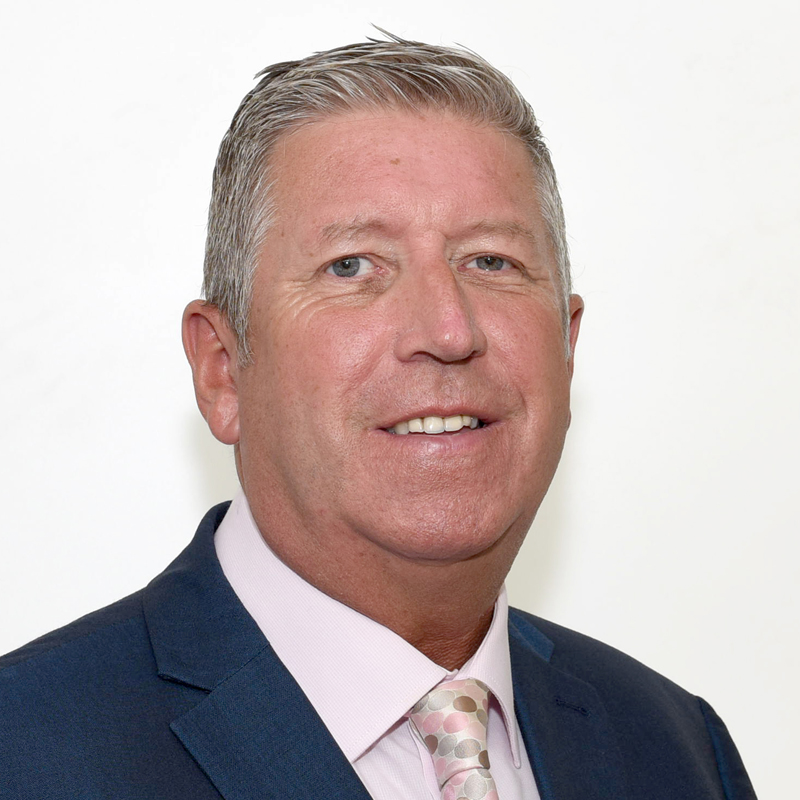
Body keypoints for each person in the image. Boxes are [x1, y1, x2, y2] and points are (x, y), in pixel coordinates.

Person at [0, 34, 756, 799]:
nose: (448, 330)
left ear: (567, 345)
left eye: (490, 261)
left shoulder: (677, 751)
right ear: (222, 370)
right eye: (352, 266)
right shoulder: (23, 752)